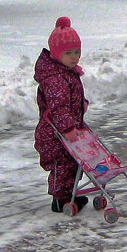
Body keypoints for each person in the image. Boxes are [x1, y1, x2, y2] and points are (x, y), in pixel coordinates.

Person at [34, 16, 90, 213]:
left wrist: (80, 104)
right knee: (62, 165)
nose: (74, 57)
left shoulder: (66, 72)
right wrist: (67, 128)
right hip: (55, 133)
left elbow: (69, 99)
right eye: (68, 53)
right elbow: (58, 107)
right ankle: (60, 200)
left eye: (77, 52)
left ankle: (71, 195)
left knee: (73, 164)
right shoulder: (56, 78)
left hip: (67, 131)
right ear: (57, 54)